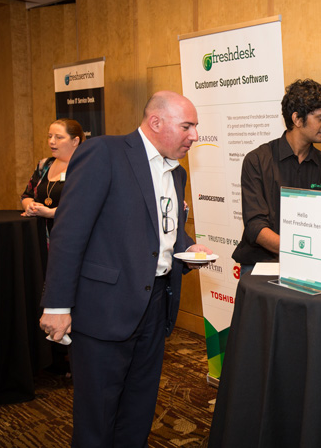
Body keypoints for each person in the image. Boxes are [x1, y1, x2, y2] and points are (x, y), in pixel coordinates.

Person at [39, 91, 214, 447]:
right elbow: (70, 233)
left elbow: (165, 229)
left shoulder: (176, 172)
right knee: (97, 416)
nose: (195, 135)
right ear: (156, 123)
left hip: (156, 306)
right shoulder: (105, 153)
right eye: (187, 126)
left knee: (139, 408)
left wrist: (187, 246)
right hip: (105, 307)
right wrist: (56, 306)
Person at [232, 79, 321, 269]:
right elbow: (256, 226)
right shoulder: (257, 161)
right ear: (297, 119)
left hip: (312, 265)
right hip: (263, 265)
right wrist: (300, 250)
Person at [21, 118, 85, 243]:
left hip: (71, 239)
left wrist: (51, 213)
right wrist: (30, 206)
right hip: (40, 238)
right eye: (50, 136)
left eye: (59, 137)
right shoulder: (44, 165)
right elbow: (26, 196)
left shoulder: (85, 167)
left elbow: (83, 206)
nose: (51, 142)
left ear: (75, 141)